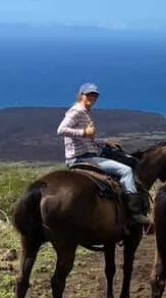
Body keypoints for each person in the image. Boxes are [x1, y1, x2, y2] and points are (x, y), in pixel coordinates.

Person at [56, 82, 150, 225]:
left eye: (95, 95)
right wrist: (84, 132)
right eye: (89, 94)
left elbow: (89, 139)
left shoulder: (85, 112)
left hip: (85, 155)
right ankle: (134, 212)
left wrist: (105, 142)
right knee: (126, 171)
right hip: (83, 158)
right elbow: (61, 130)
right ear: (81, 95)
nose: (92, 97)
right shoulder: (77, 111)